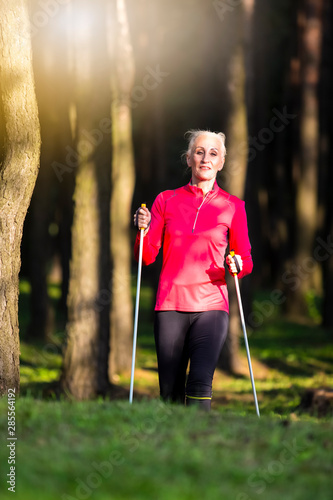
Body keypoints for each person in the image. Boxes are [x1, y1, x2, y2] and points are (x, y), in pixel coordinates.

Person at [134, 130, 253, 410]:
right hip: (170, 306)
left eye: (213, 153)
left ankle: (200, 443)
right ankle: (174, 450)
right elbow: (147, 256)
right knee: (170, 392)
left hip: (211, 306)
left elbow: (245, 259)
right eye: (199, 152)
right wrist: (143, 230)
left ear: (221, 162)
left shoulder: (233, 206)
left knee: (200, 384)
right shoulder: (166, 200)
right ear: (188, 159)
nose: (205, 158)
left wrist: (238, 265)